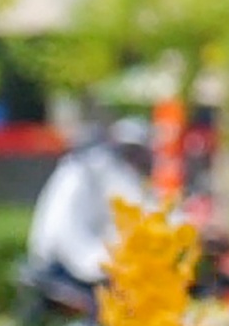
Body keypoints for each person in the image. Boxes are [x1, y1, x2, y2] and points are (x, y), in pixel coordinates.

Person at [25, 116, 158, 295]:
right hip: (67, 258)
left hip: (52, 253)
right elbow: (140, 206)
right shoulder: (103, 167)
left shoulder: (83, 166)